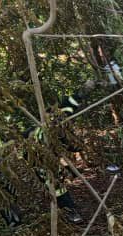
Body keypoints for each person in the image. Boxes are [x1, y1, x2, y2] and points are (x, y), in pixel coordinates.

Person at [24, 79, 99, 224]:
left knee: (57, 181)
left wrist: (87, 87)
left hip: (47, 155)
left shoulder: (61, 115)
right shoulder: (47, 130)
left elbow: (72, 101)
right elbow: (70, 146)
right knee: (55, 186)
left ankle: (66, 208)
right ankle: (69, 211)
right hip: (37, 159)